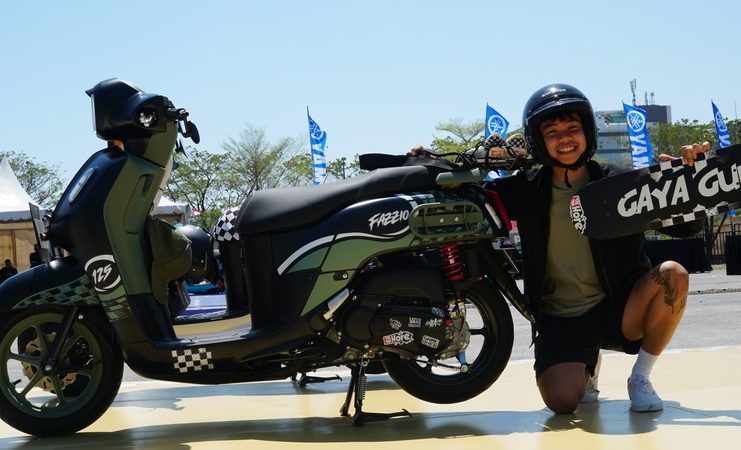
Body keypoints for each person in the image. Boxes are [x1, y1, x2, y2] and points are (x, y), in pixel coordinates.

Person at [480, 83, 708, 414]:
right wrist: (422, 160)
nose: (564, 138)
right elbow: (472, 194)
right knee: (562, 402)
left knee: (673, 275)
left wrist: (689, 181)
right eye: (552, 131)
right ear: (537, 140)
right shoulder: (525, 190)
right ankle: (587, 366)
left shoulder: (622, 183)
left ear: (588, 131)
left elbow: (687, 228)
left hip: (619, 309)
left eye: (572, 127)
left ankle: (640, 376)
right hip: (561, 318)